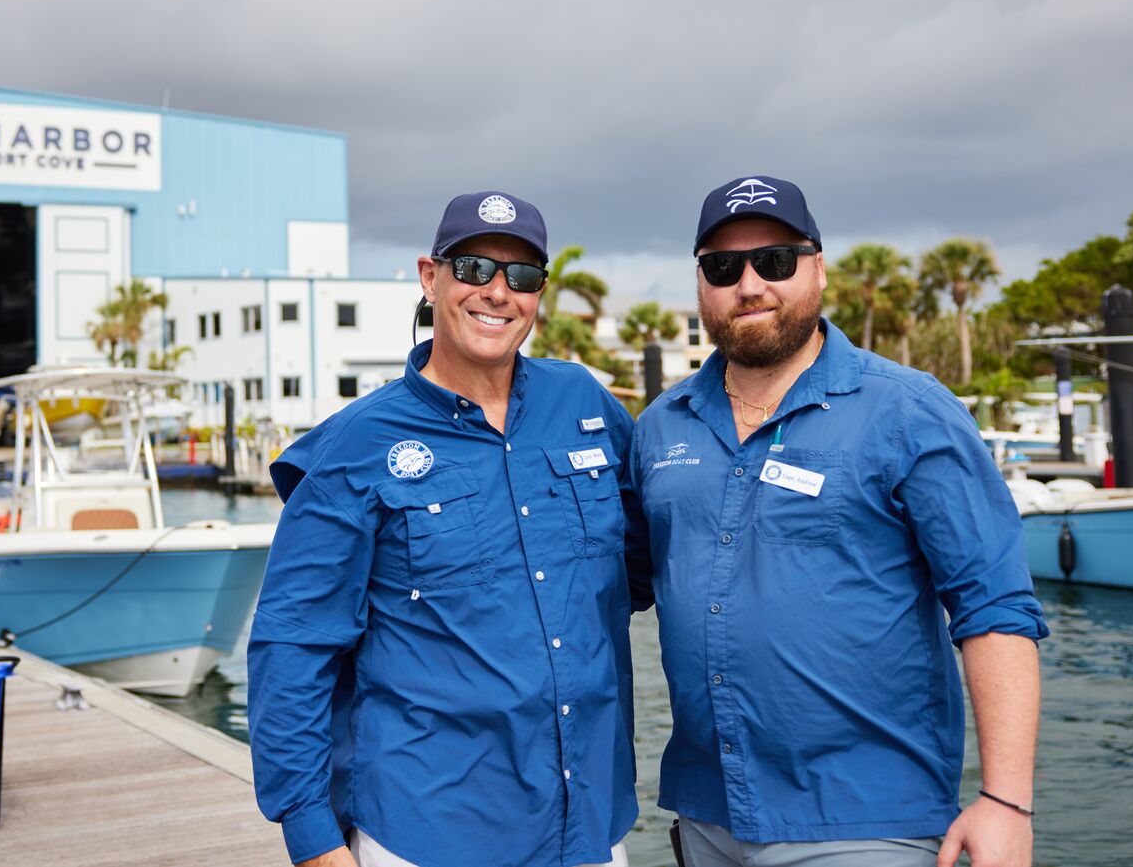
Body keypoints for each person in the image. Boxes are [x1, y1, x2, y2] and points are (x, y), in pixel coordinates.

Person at [632, 176, 1046, 867]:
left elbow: (994, 604)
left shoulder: (910, 410)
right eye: (724, 266)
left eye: (777, 260)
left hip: (864, 818)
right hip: (705, 814)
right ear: (701, 283)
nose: (750, 283)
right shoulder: (657, 428)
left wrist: (1006, 800)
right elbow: (617, 584)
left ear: (818, 267)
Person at [249, 192, 645, 867]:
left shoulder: (586, 404)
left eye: (520, 276)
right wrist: (314, 839)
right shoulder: (353, 445)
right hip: (427, 832)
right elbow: (292, 646)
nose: (496, 292)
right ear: (430, 275)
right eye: (473, 268)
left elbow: (642, 562)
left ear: (539, 293)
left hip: (590, 823)